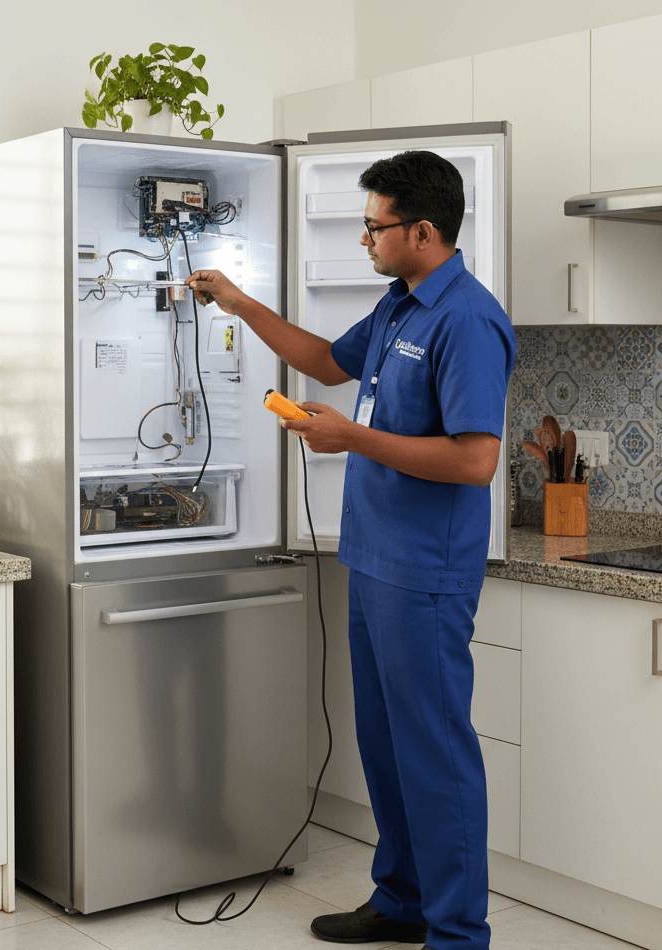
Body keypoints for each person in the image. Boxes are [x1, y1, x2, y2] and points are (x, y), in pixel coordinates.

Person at [185, 150, 516, 950]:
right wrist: (238, 302)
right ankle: (401, 902)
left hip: (425, 573)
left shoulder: (467, 319)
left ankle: (458, 934)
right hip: (372, 562)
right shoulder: (401, 305)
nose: (365, 239)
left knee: (434, 753)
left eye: (375, 227)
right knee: (385, 745)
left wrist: (350, 437)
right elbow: (328, 361)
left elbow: (476, 460)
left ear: (424, 231)